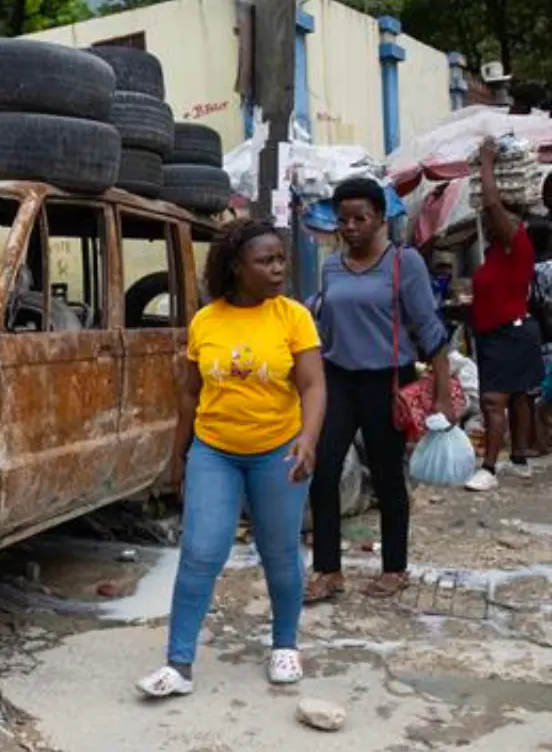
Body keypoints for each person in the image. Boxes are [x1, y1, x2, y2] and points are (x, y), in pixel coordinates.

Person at [136, 219, 325, 698]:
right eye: (266, 260)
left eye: (280, 259)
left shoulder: (293, 317)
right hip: (215, 451)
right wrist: (178, 455)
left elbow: (312, 385)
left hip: (278, 451)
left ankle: (285, 644)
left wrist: (308, 438)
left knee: (279, 552)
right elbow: (190, 396)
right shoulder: (206, 321)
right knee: (200, 551)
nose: (279, 268)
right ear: (238, 268)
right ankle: (178, 665)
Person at [305, 178, 455, 604]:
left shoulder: (403, 263)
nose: (349, 227)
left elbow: (429, 329)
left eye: (360, 218)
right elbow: (324, 325)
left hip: (388, 380)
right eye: (343, 219)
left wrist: (442, 396)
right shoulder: (331, 266)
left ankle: (394, 568)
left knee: (388, 477)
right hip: (338, 378)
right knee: (324, 470)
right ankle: (328, 570)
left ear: (380, 219)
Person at [464, 139, 549, 490]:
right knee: (517, 397)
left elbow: (493, 201)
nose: (488, 217)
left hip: (509, 333)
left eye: (495, 216)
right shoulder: (498, 252)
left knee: (493, 400)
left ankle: (489, 469)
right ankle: (518, 459)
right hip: (500, 333)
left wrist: (486, 162)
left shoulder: (518, 243)